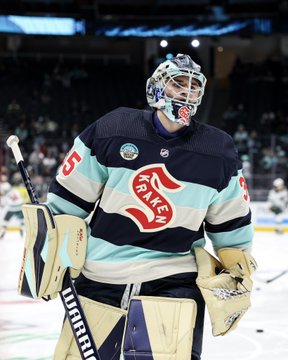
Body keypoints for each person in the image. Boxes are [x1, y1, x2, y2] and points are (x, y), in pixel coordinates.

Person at [44, 54, 255, 359]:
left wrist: (238, 272)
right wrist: (52, 254)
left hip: (175, 281)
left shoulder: (217, 152)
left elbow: (232, 228)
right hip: (101, 277)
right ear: (156, 88)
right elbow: (66, 203)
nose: (186, 93)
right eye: (178, 84)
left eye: (194, 88)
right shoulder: (113, 128)